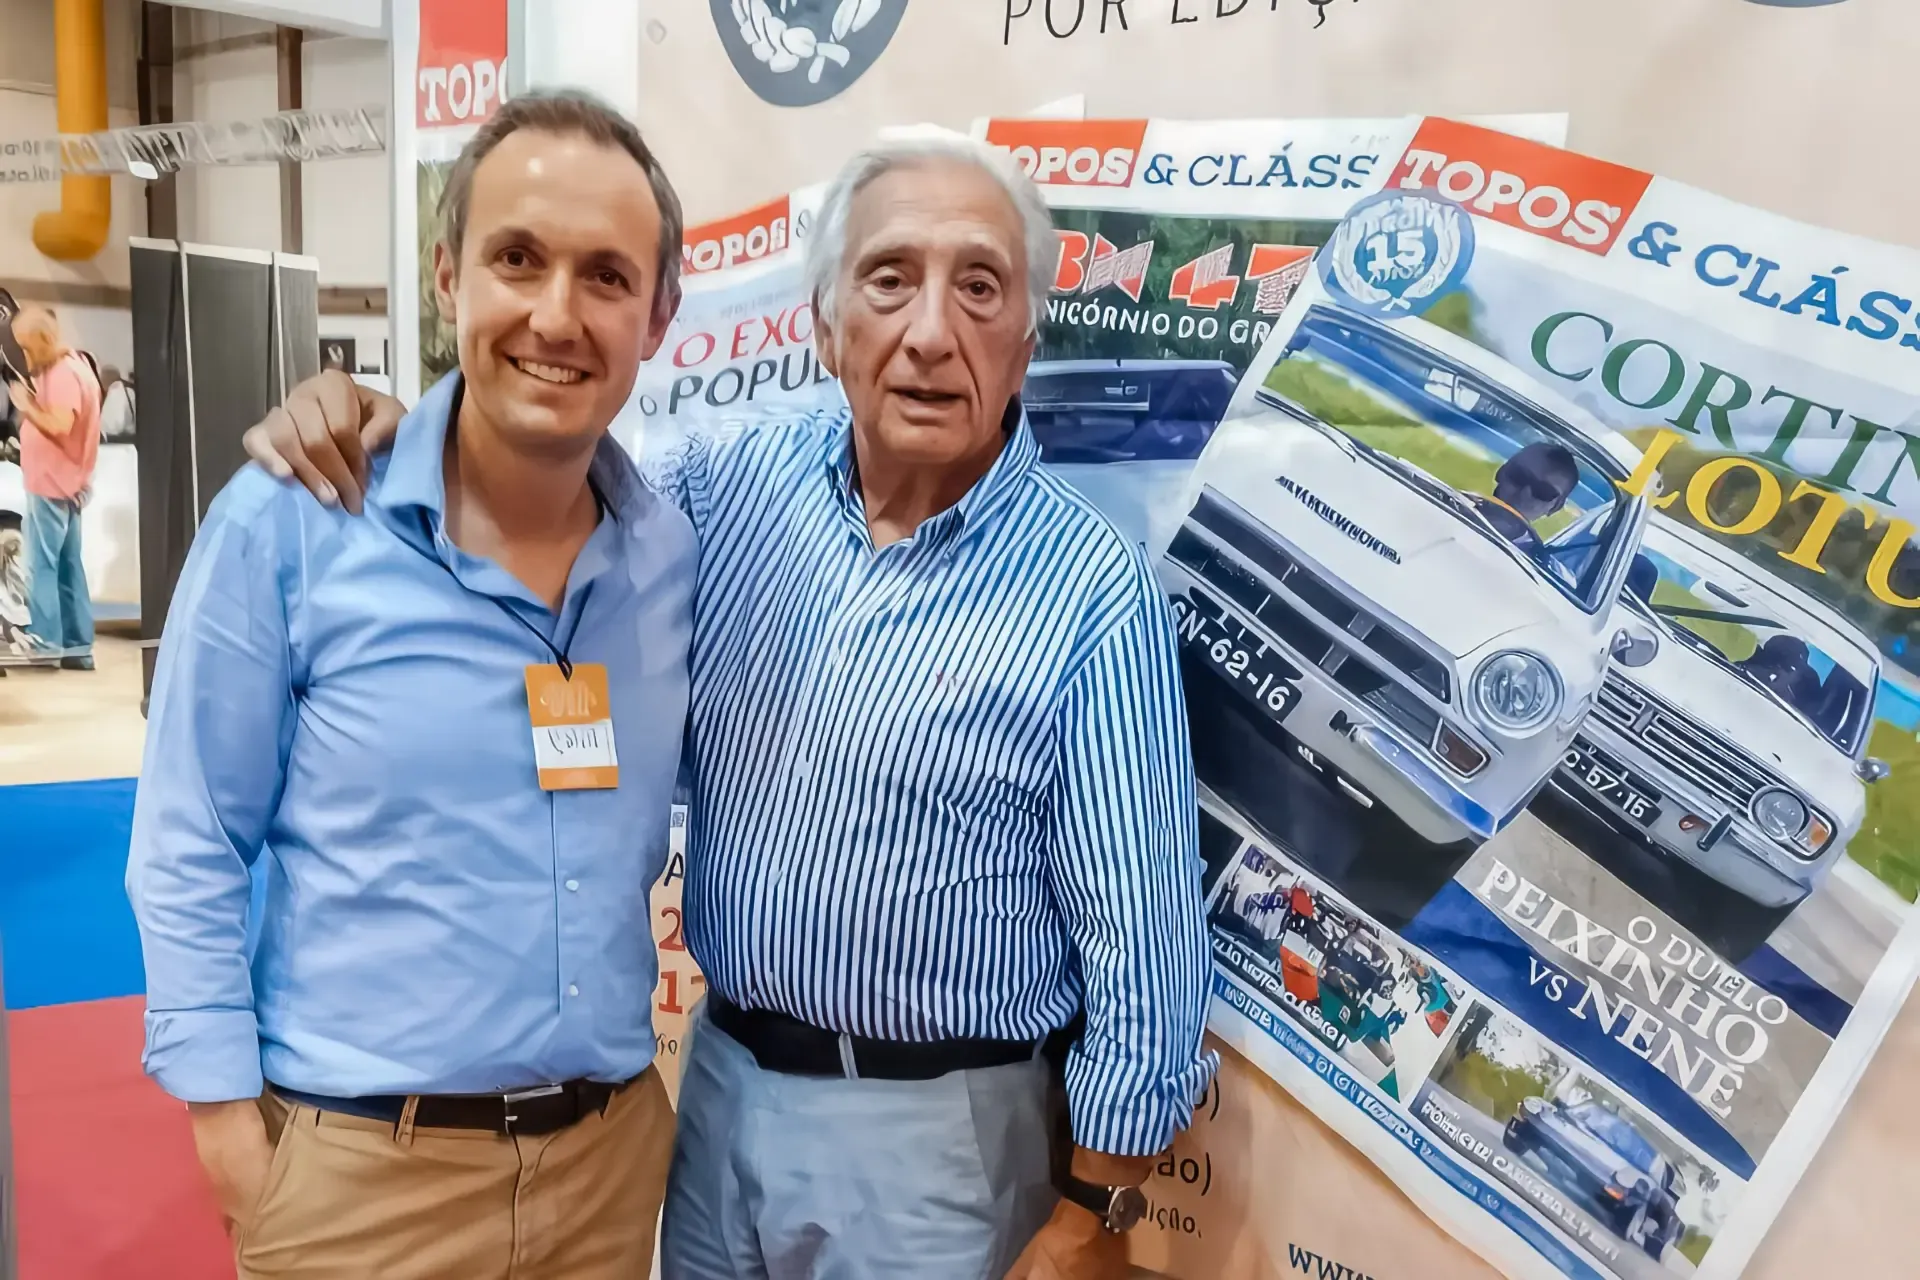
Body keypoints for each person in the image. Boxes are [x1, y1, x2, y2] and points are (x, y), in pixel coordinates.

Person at [246, 131, 1217, 1279]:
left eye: (979, 287)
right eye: (889, 278)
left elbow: (1144, 943)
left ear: (1025, 340)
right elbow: (539, 481)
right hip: (716, 1094)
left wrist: (1089, 1213)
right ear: (825, 325)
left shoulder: (1090, 590)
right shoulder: (723, 488)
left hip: (937, 1150)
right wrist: (389, 422)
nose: (929, 331)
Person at [127, 91, 695, 1279]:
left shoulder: (669, 554)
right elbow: (188, 836)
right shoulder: (295, 520)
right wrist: (227, 1126)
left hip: (607, 1171)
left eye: (605, 275)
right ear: (448, 278)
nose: (556, 313)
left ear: (657, 316)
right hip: (362, 1183)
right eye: (517, 258)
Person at [7, 305, 101, 669]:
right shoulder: (76, 367)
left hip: (51, 484)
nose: (24, 355)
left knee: (42, 567)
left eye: (26, 346)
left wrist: (26, 405)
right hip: (66, 483)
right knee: (68, 567)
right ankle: (78, 649)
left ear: (44, 340)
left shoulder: (63, 374)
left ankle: (46, 646)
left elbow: (61, 424)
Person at [1469, 441, 1579, 553]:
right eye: (1520, 476)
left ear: (1556, 507)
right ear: (1501, 471)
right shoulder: (1457, 503)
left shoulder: (1534, 562)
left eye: (1543, 491)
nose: (1524, 494)